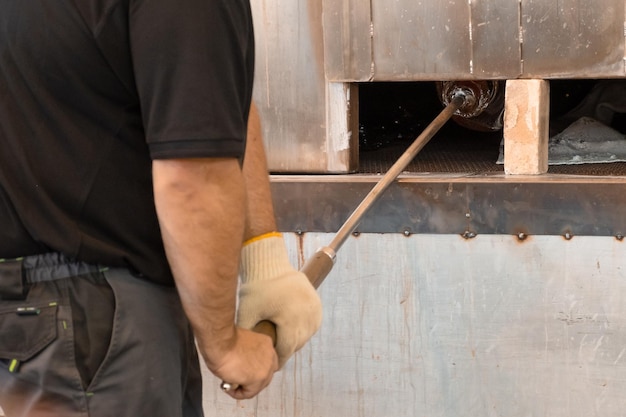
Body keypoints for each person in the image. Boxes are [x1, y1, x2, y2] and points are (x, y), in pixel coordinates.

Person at [0, 0, 322, 415]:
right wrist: (224, 345)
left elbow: (213, 103)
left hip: (35, 309)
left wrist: (265, 261)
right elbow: (192, 177)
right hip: (95, 322)